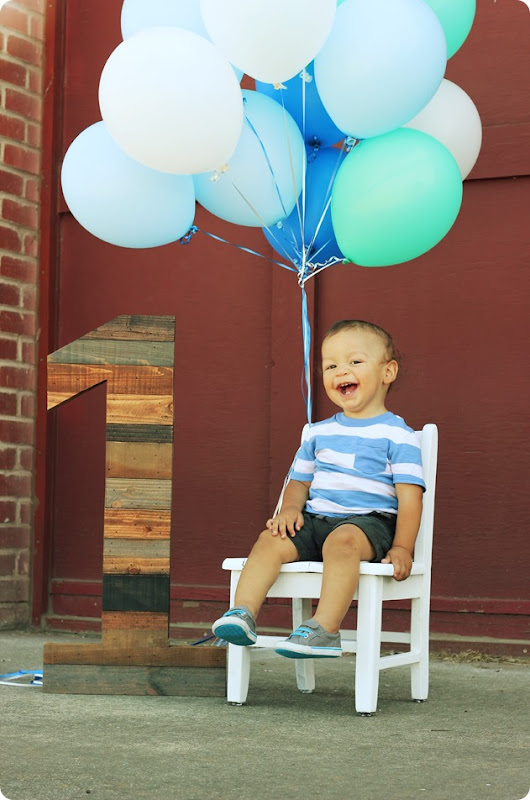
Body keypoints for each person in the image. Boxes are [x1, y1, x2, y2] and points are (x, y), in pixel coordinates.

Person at [212, 320, 425, 658]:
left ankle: (325, 629)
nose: (342, 371)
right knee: (271, 539)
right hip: (316, 520)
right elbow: (299, 482)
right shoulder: (317, 433)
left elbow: (410, 498)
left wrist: (403, 547)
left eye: (355, 361)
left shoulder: (398, 435)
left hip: (368, 524)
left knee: (342, 541)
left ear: (388, 371)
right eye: (331, 365)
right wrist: (289, 510)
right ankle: (243, 613)